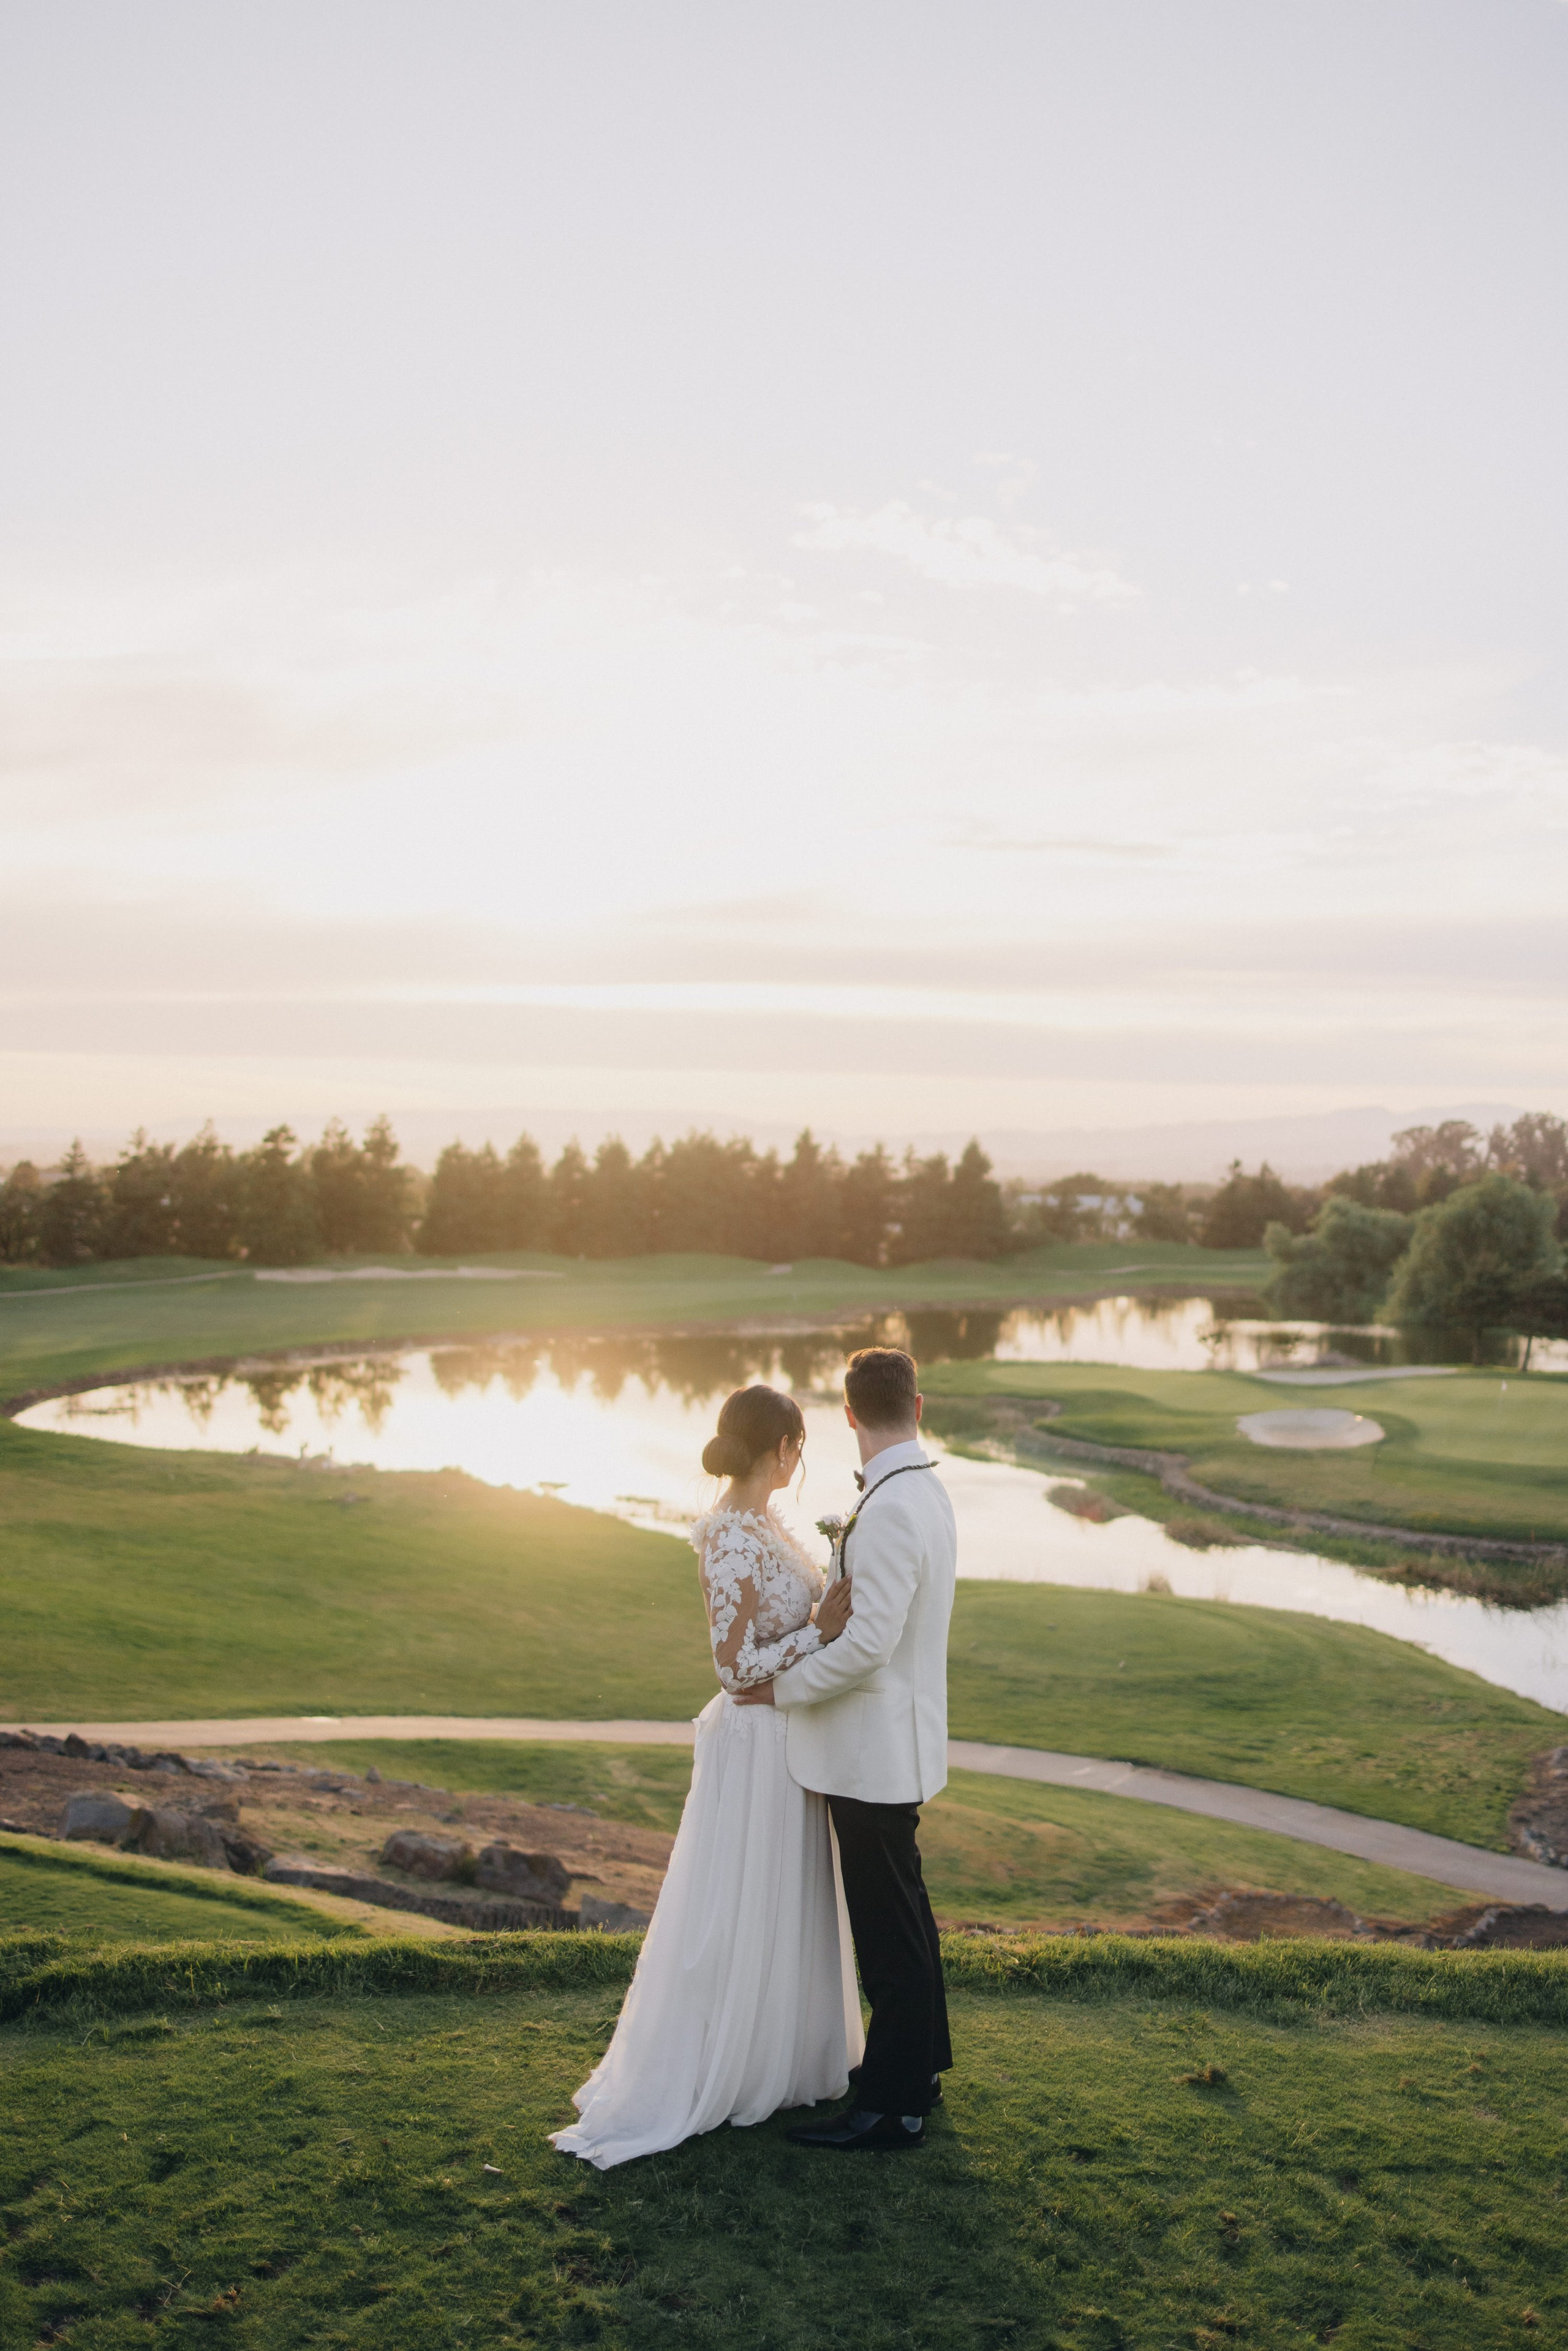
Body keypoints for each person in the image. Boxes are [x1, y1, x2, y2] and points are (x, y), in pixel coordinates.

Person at [550, 1383, 863, 2169]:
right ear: (777, 1448)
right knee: (740, 1902)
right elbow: (733, 1669)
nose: (801, 1458)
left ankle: (781, 2054)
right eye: (799, 1445)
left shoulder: (768, 1524)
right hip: (753, 1744)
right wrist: (817, 1635)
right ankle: (717, 2060)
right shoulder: (727, 1535)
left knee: (783, 1898)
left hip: (786, 1734)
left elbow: (787, 1629)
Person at [734, 1344, 957, 2152]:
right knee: (908, 1916)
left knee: (888, 1931)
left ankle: (890, 2107)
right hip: (893, 1744)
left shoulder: (895, 1506)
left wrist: (784, 1688)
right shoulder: (923, 1491)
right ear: (917, 1405)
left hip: (873, 1750)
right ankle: (919, 2068)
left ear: (851, 1413)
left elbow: (867, 1644)